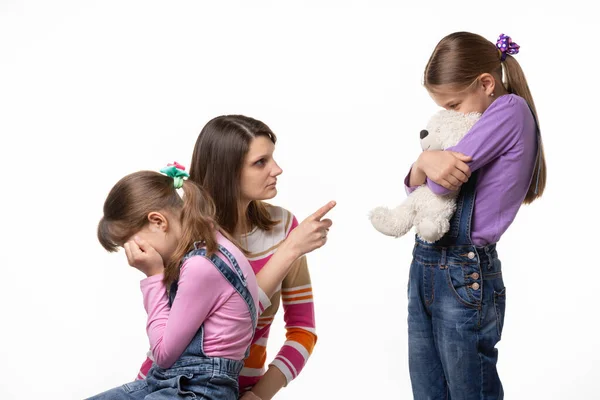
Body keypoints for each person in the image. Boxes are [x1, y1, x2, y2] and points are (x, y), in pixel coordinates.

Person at [135, 116, 335, 400]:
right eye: (260, 162)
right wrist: (291, 249)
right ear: (227, 171)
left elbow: (303, 331)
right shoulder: (186, 237)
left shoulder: (284, 229)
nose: (277, 170)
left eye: (272, 158)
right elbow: (224, 323)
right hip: (168, 387)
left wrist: (259, 396)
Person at [404, 32, 546, 399]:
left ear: (486, 83)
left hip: (463, 270)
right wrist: (423, 162)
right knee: (428, 389)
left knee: (470, 391)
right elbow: (416, 188)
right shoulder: (478, 118)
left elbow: (440, 182)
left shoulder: (509, 109)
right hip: (427, 261)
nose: (448, 115)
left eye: (453, 105)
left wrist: (426, 164)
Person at [88, 164, 261, 399]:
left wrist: (154, 276)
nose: (133, 255)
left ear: (158, 221)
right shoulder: (210, 241)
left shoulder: (202, 265)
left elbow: (164, 353)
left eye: (132, 244)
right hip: (172, 381)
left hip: (201, 389)